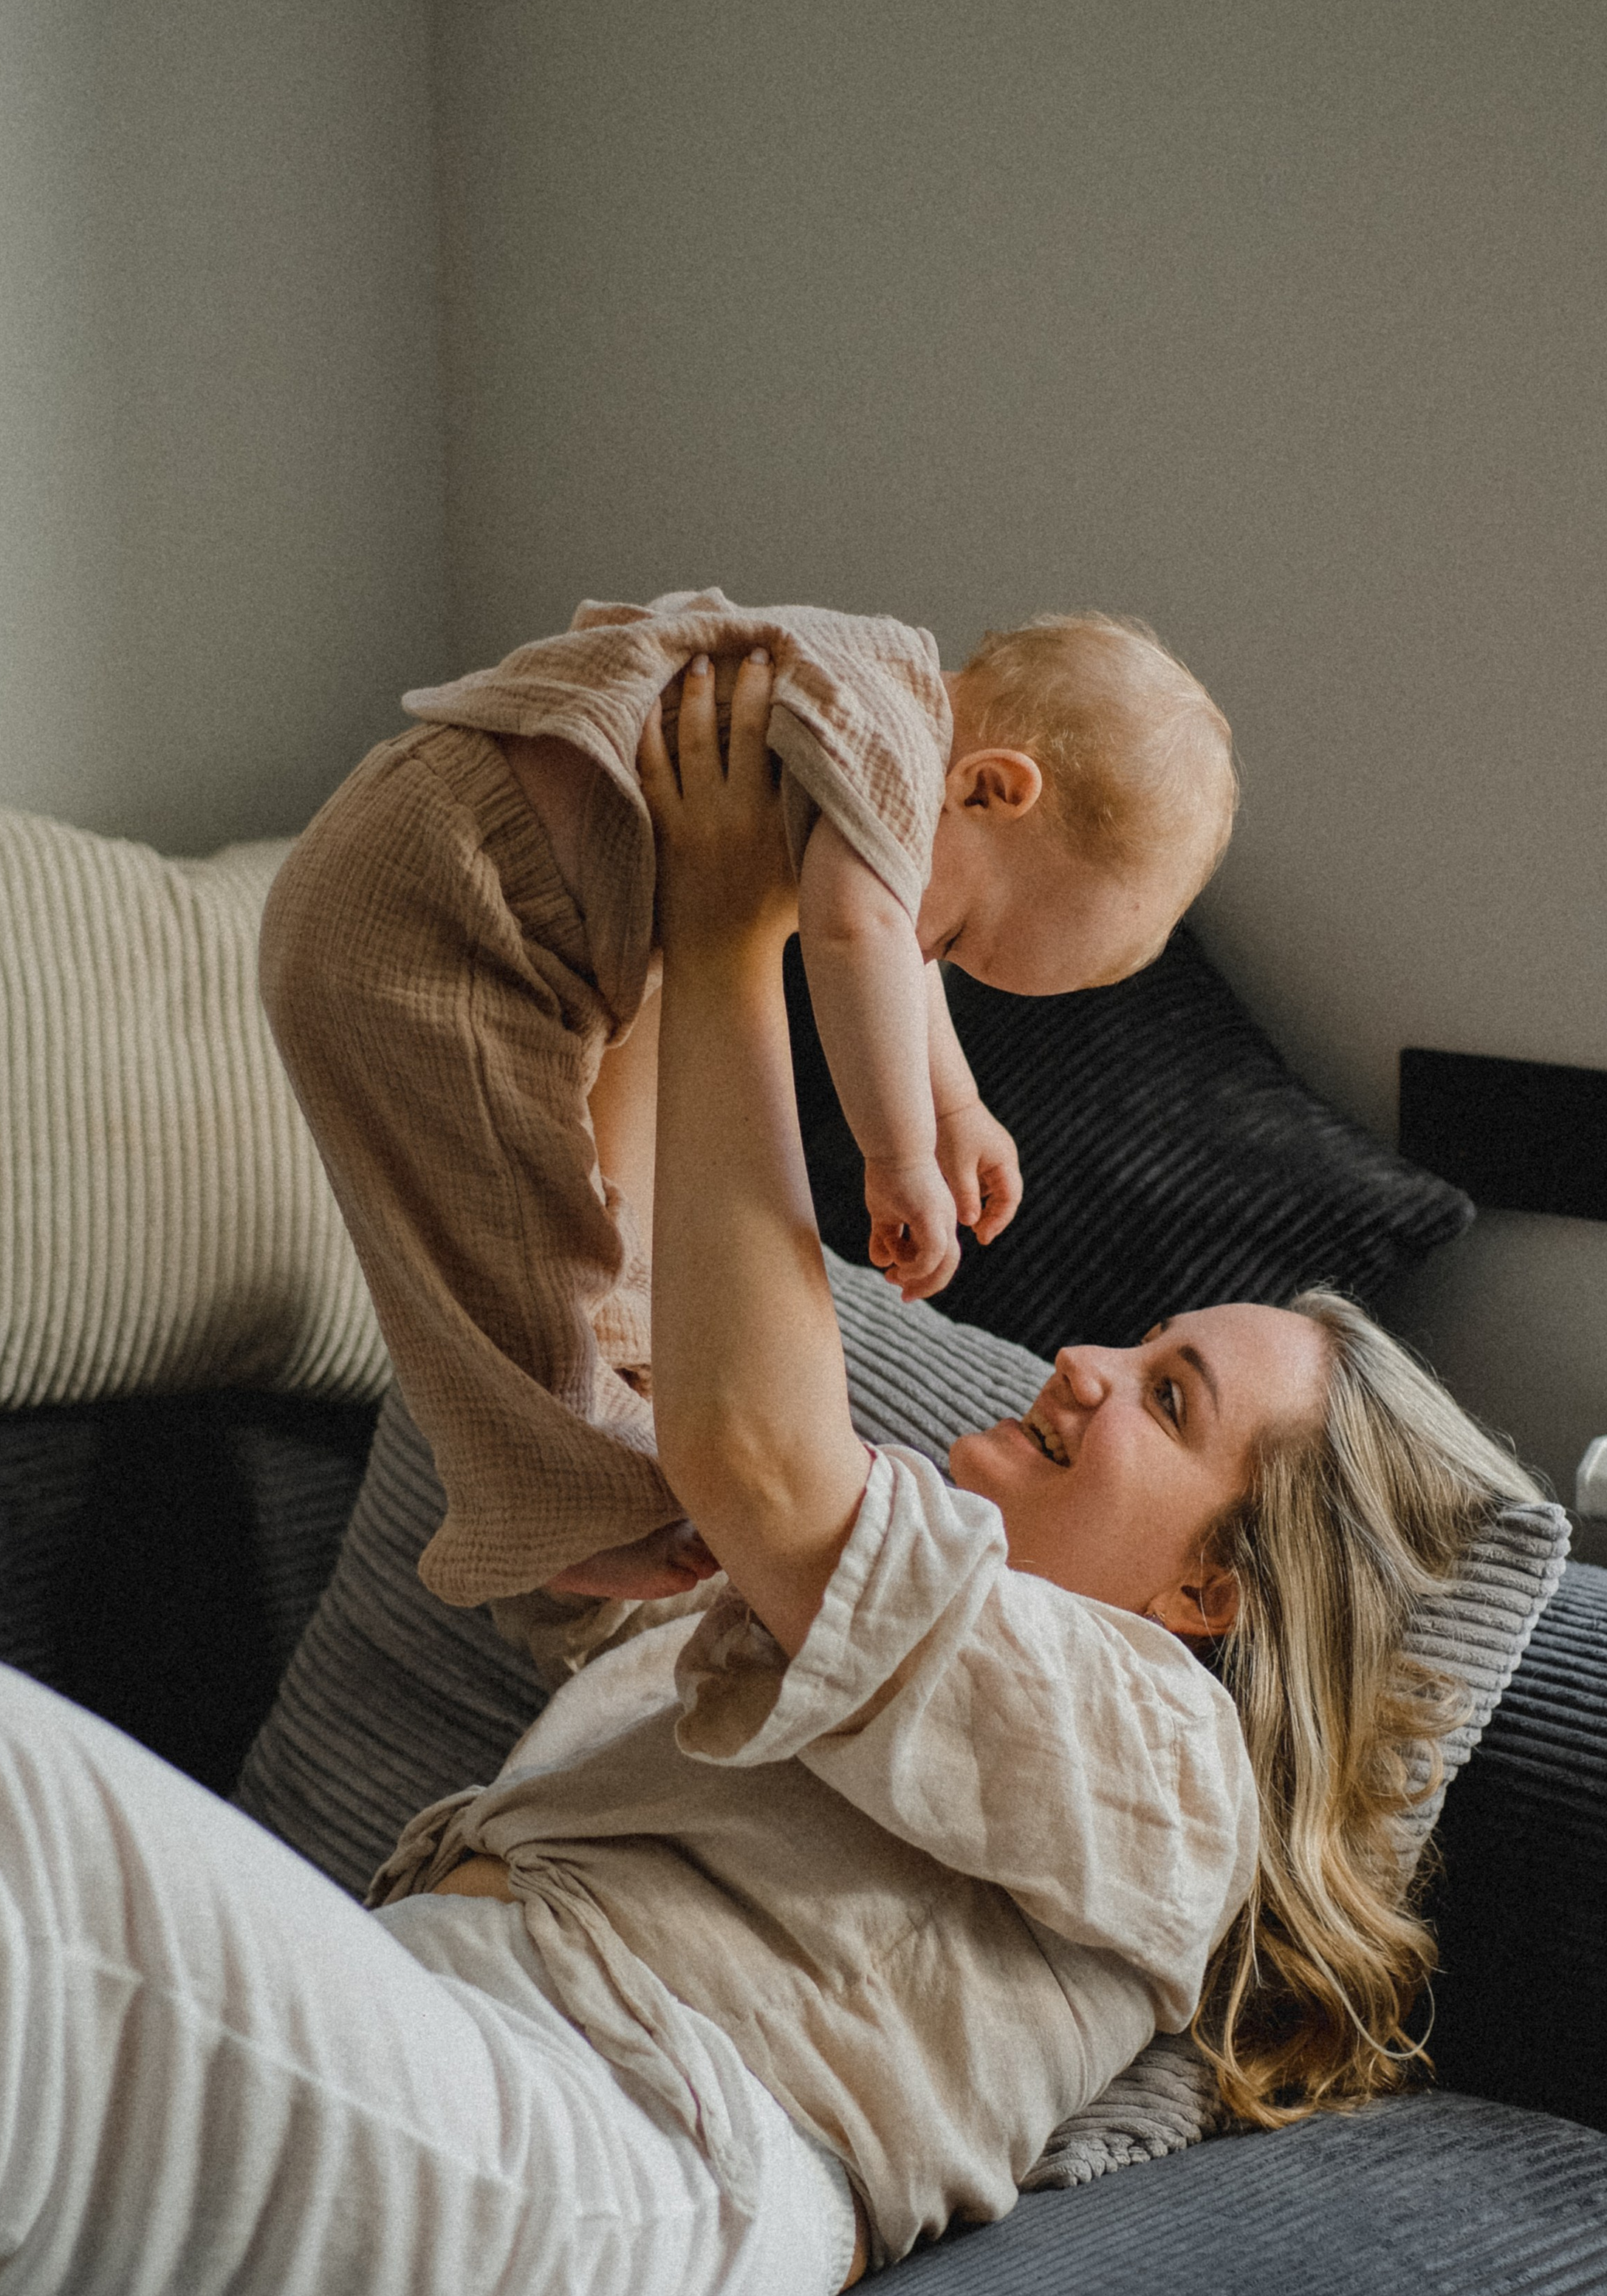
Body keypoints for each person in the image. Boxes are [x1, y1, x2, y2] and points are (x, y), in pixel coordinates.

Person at [0, 655, 1536, 2296]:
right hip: (431, 2072)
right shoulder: (810, 1626)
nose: (1078, 1363)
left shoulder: (1159, 1759)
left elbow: (761, 1458)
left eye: (1164, 1398)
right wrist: (658, 911)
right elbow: (626, 1349)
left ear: (1214, 1595)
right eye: (1132, 1344)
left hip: (621, 2175)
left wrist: (732, 952)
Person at [258, 593, 1238, 1678]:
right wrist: (899, 1154)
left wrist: (957, 1108)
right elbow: (863, 927)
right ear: (993, 787)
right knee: (518, 1243)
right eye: (963, 938)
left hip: (438, 897)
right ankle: (562, 1512)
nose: (932, 957)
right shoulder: (879, 742)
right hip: (440, 922)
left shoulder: (884, 717)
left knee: (583, 1232)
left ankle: (588, 1473)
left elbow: (895, 935)